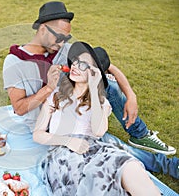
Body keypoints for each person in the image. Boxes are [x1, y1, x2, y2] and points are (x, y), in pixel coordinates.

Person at [2, 1, 178, 179]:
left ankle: (140, 135)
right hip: (49, 124)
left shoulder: (64, 50)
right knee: (114, 148)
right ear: (43, 29)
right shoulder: (14, 62)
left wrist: (131, 96)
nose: (63, 43)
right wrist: (48, 88)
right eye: (60, 37)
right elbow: (19, 107)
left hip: (75, 112)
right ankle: (166, 165)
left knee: (106, 83)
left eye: (66, 38)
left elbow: (107, 68)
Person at [32, 41, 160, 196]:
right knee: (93, 180)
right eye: (76, 61)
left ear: (94, 74)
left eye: (84, 65)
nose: (75, 66)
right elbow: (37, 134)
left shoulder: (101, 102)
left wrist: (93, 88)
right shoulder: (56, 96)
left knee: (129, 165)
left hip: (95, 150)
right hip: (64, 153)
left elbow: (99, 132)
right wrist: (68, 141)